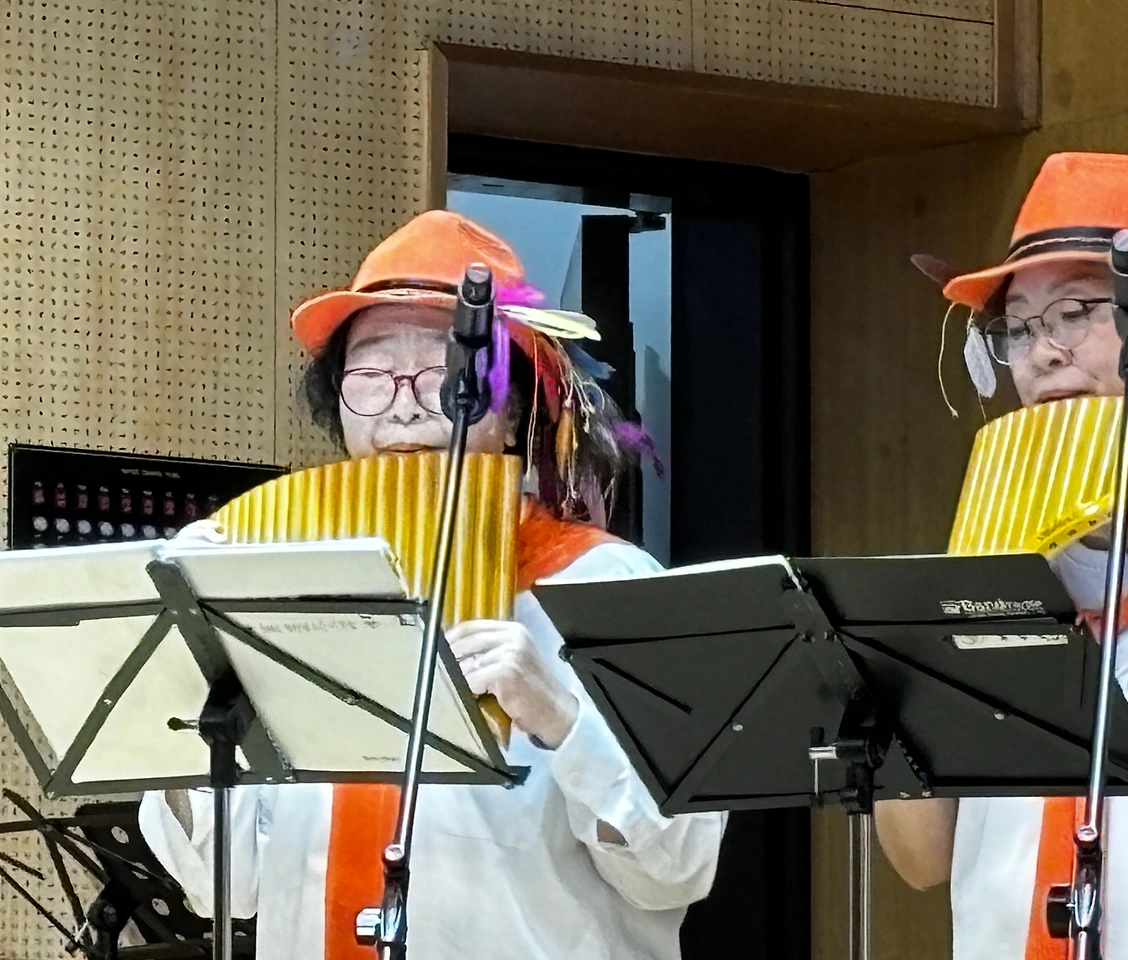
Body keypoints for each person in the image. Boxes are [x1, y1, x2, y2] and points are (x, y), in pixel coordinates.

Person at [139, 211, 725, 960]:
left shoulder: (613, 587)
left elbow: (676, 868)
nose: (405, 403)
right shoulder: (284, 593)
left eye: (447, 373)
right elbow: (223, 885)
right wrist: (193, 659)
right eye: (370, 374)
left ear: (513, 409)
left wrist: (561, 720)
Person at [881, 152, 1128, 958]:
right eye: (1020, 327)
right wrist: (916, 662)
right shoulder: (999, 567)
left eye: (1073, 313)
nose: (1041, 353)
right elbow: (921, 859)